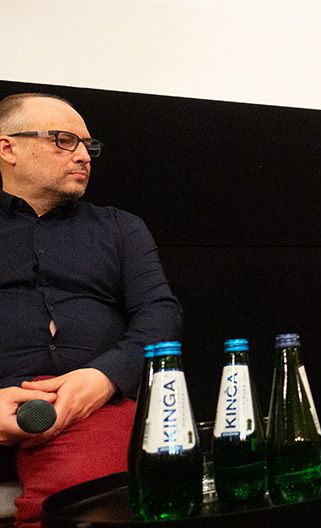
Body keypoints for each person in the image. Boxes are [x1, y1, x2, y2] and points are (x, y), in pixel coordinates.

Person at [0, 93, 182, 527]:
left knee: (89, 503)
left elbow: (160, 314)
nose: (83, 155)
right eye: (64, 140)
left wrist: (103, 378)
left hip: (88, 407)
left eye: (87, 145)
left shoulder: (120, 227)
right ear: (7, 148)